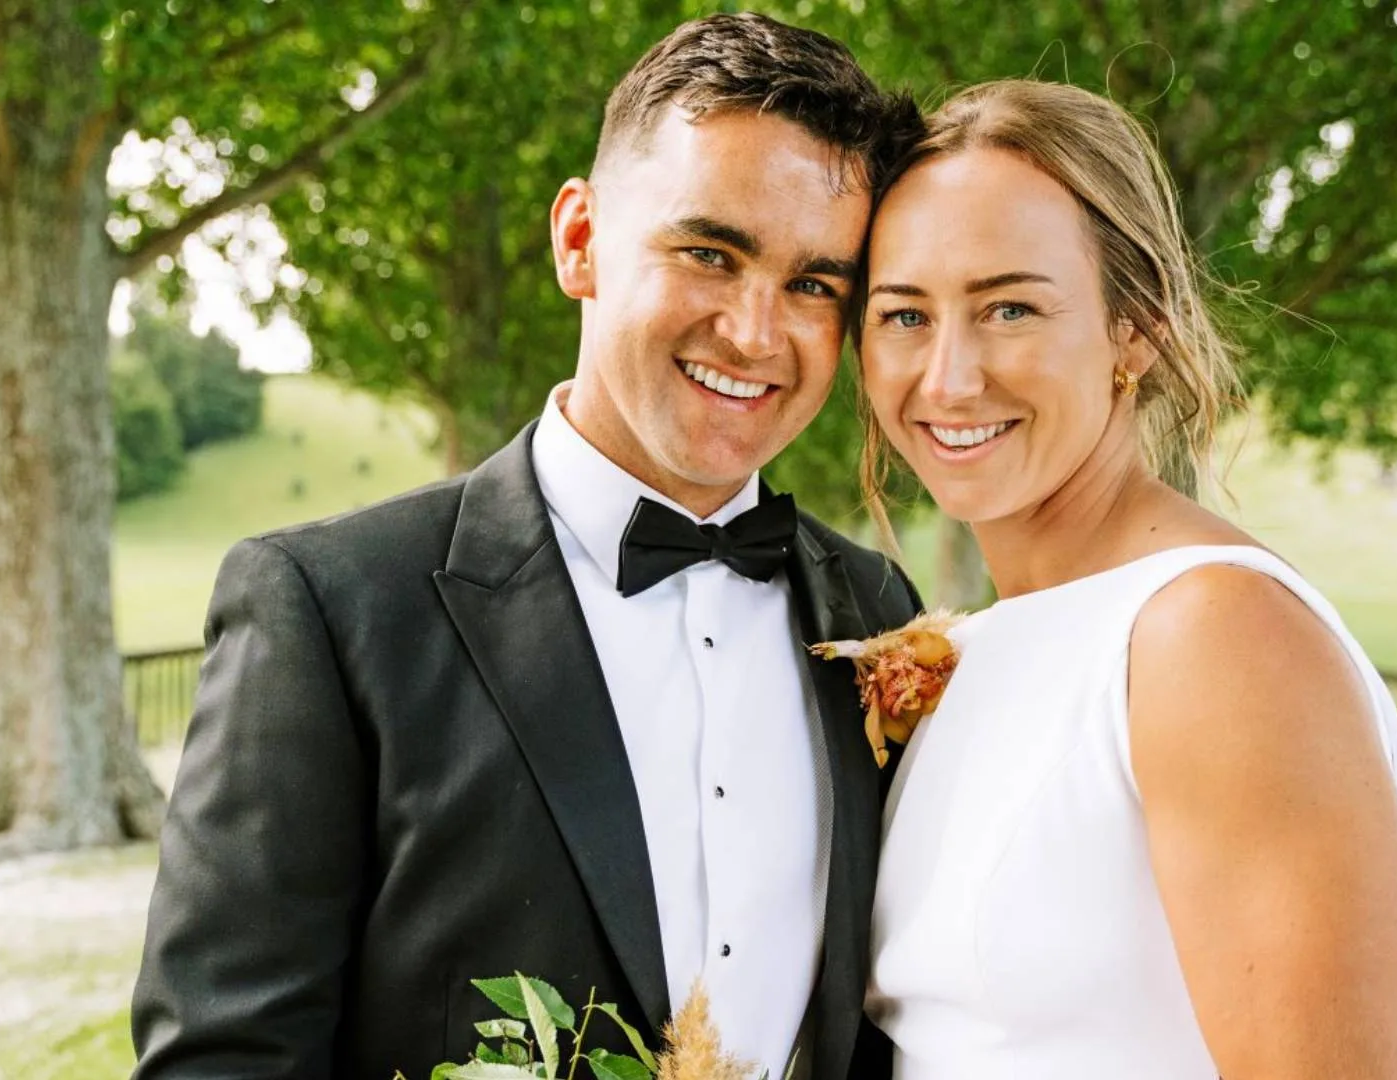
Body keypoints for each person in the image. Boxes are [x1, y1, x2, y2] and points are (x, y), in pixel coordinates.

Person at [131, 15, 923, 1080]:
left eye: (814, 285)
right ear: (580, 240)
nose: (753, 331)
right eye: (708, 253)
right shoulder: (326, 608)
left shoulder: (878, 615)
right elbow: (224, 1059)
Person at [857, 80, 1397, 1078]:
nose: (948, 377)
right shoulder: (988, 641)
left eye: (1010, 308)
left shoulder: (1212, 635)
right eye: (904, 315)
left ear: (1136, 327)